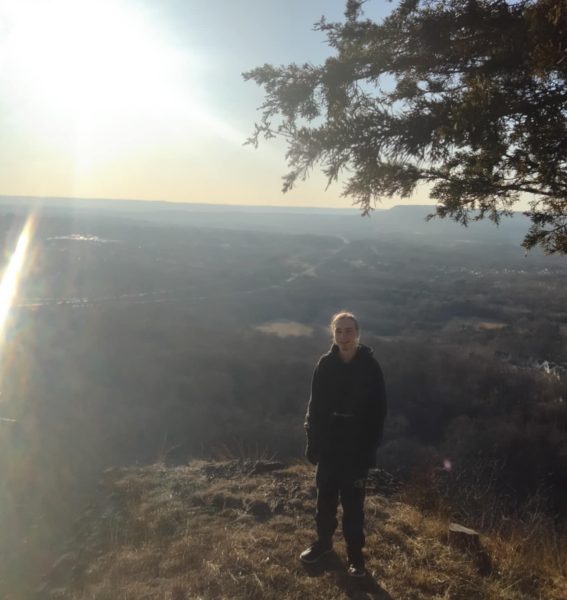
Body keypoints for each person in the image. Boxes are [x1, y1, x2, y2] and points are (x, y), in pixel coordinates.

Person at [300, 311, 387, 577]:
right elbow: (314, 407)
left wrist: (368, 449)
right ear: (333, 334)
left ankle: (355, 557)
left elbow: (379, 411)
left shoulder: (370, 366)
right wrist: (312, 442)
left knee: (353, 504)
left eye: (349, 330)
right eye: (339, 331)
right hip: (329, 443)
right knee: (324, 500)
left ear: (358, 333)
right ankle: (324, 545)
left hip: (355, 446)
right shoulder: (325, 364)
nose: (344, 336)